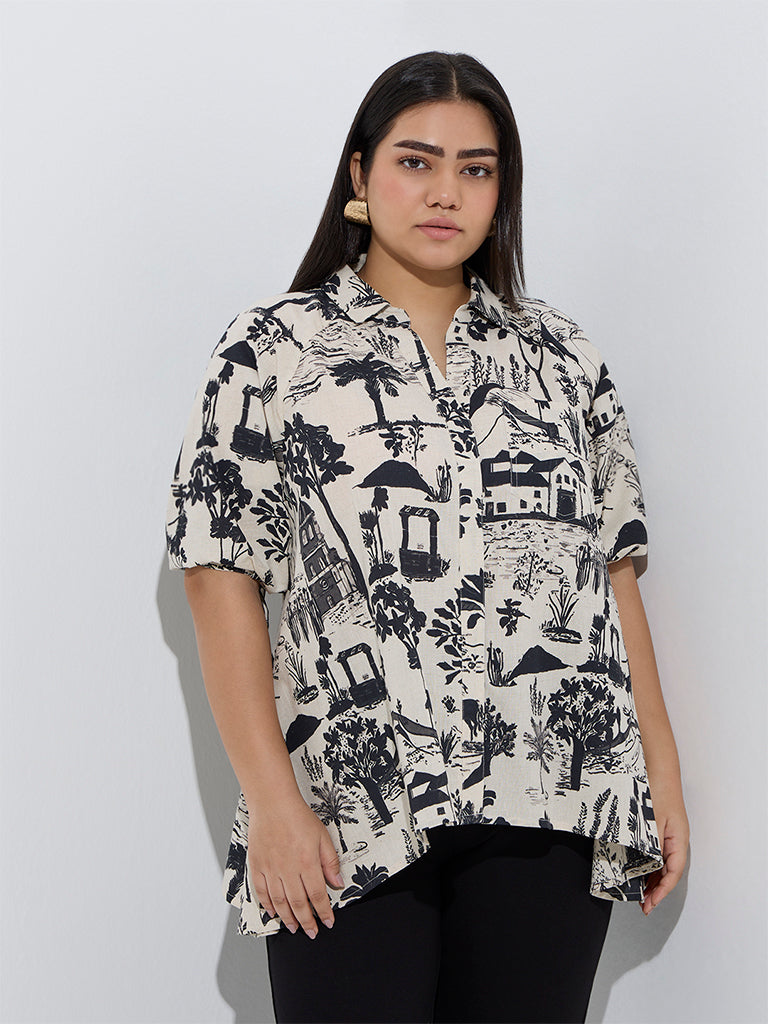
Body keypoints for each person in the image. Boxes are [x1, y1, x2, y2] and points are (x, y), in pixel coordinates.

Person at [164, 50, 690, 1024]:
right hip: (349, 805)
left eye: (476, 168)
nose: (446, 191)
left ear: (502, 189)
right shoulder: (270, 350)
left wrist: (660, 772)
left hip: (555, 791)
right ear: (360, 174)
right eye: (416, 161)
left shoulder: (563, 358)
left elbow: (613, 574)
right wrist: (273, 803)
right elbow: (217, 575)